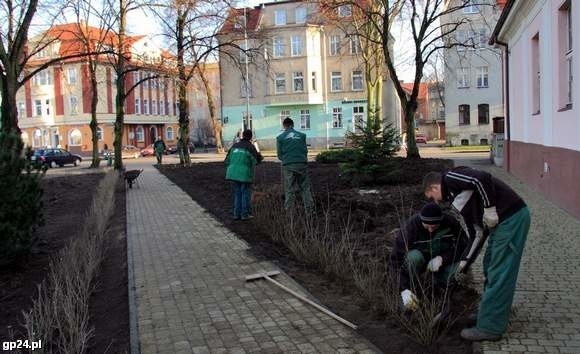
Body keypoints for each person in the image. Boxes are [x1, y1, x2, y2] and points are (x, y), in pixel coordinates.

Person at [422, 166, 530, 341]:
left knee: (499, 272)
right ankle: (489, 313)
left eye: (431, 197)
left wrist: (489, 209)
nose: (434, 202)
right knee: (489, 265)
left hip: (512, 218)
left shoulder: (450, 177)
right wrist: (465, 262)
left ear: (434, 187)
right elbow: (476, 233)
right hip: (500, 225)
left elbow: (481, 178)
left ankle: (490, 327)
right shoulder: (455, 201)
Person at [389, 203, 467, 311]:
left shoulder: (450, 222)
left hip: (440, 264)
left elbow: (463, 246)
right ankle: (412, 289)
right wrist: (403, 289)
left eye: (434, 227)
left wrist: (442, 258)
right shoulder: (410, 228)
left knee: (460, 270)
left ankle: (441, 289)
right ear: (421, 221)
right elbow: (395, 261)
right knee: (414, 257)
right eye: (427, 226)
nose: (431, 230)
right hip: (418, 264)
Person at [276, 118, 314, 213]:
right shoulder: (302, 136)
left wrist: (286, 160)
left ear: (284, 125)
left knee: (289, 189)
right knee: (305, 187)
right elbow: (305, 150)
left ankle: (289, 212)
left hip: (288, 165)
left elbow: (279, 154)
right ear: (293, 125)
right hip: (302, 163)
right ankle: (309, 210)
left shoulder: (280, 138)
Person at [225, 129, 263, 220]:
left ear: (242, 135)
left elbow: (227, 160)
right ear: (250, 137)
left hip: (232, 173)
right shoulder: (250, 147)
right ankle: (244, 214)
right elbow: (256, 161)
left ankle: (236, 214)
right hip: (244, 174)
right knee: (245, 193)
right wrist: (260, 157)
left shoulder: (235, 145)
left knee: (237, 193)